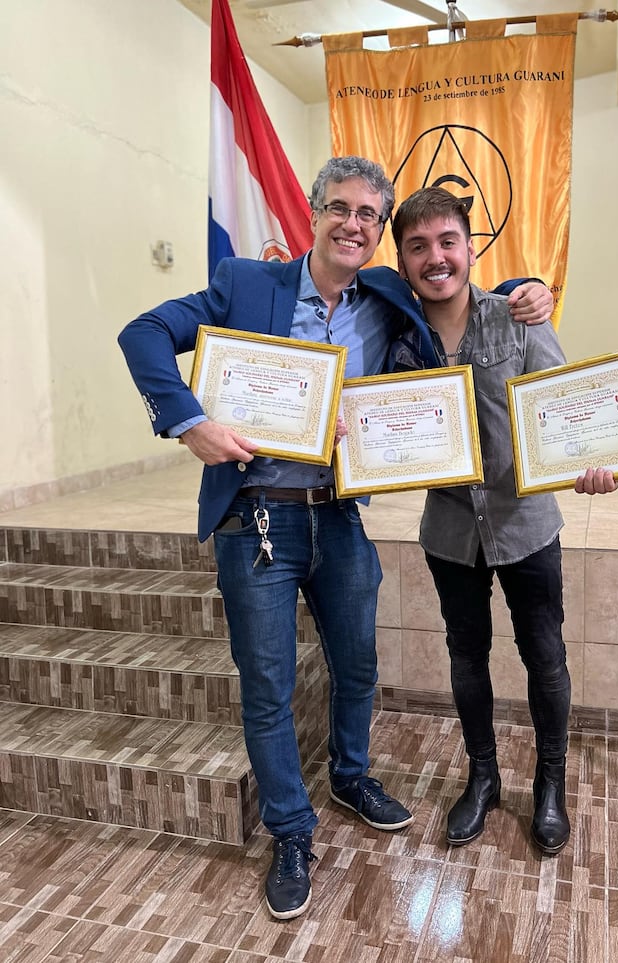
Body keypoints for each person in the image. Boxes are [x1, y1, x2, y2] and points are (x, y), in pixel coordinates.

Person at [118, 156, 554, 920]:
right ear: (312, 213)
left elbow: (455, 277)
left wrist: (527, 286)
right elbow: (144, 332)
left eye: (368, 216)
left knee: (357, 665)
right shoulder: (246, 283)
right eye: (340, 208)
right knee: (268, 685)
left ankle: (351, 775)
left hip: (338, 514)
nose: (353, 224)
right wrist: (189, 419)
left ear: (380, 232)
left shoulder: (385, 294)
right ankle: (291, 830)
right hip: (255, 517)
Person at [389, 186, 618, 855]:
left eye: (447, 241)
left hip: (526, 524)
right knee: (466, 656)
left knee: (544, 655)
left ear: (469, 245)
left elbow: (564, 410)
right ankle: (482, 776)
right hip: (450, 530)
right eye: (418, 245)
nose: (436, 257)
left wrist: (591, 461)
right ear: (402, 261)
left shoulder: (519, 316)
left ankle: (550, 783)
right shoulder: (397, 339)